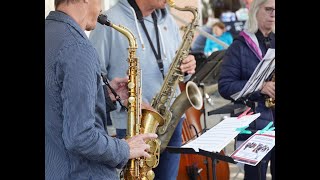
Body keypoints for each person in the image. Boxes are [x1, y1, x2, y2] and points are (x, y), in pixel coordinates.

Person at [45, 0, 158, 179]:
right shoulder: (78, 47)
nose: (101, 8)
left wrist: (103, 95)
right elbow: (80, 137)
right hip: (79, 172)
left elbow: (54, 104)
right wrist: (125, 149)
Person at [89, 0, 197, 179]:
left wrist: (187, 68)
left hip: (171, 121)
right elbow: (93, 77)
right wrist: (122, 100)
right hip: (134, 126)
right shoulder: (110, 21)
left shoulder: (167, 19)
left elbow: (176, 63)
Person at [218, 0, 275, 180]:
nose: (273, 14)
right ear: (255, 11)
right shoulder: (240, 46)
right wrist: (261, 86)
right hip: (253, 123)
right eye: (269, 9)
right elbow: (225, 86)